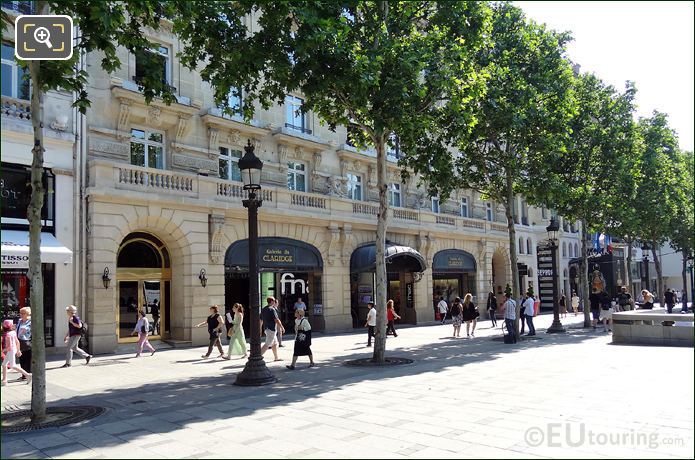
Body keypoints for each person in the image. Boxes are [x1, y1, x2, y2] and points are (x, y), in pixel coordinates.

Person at [2, 320, 31, 385]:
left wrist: (3, 350)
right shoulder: (13, 332)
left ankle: (28, 375)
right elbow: (17, 342)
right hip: (13, 349)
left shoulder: (7, 335)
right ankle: (4, 380)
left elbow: (9, 347)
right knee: (4, 364)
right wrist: (18, 350)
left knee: (13, 365)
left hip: (11, 351)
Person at [16, 307, 31, 380]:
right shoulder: (20, 321)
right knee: (21, 359)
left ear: (28, 313)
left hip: (28, 342)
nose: (21, 315)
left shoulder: (31, 322)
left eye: (23, 313)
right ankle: (24, 375)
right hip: (20, 342)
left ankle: (28, 374)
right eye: (20, 313)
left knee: (27, 359)